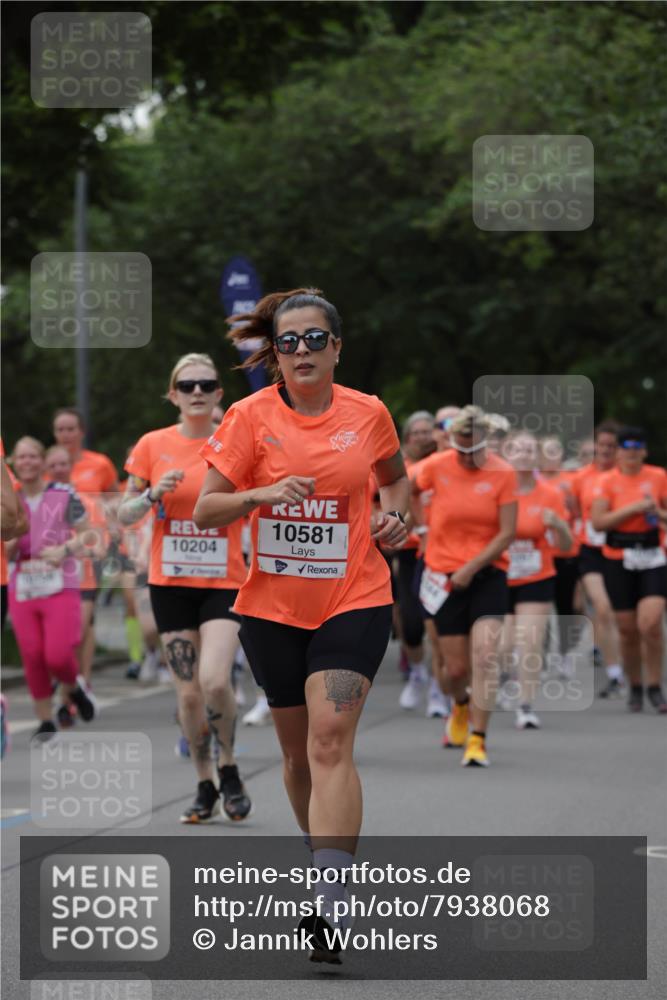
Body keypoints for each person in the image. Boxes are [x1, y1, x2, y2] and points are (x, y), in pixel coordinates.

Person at [194, 288, 408, 962]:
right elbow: (206, 511)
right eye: (289, 342)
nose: (302, 351)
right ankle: (324, 865)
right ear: (274, 356)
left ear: (337, 347)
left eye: (316, 339)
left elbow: (395, 480)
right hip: (272, 609)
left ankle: (330, 905)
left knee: (328, 741)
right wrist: (258, 493)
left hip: (354, 595)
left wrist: (393, 518)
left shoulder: (368, 413)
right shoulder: (248, 418)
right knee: (293, 758)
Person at [119, 353, 252, 823]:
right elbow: (123, 514)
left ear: (219, 393)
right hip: (171, 583)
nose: (197, 391)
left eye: (206, 384)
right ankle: (204, 783)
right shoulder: (153, 445)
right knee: (189, 694)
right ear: (173, 395)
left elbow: (255, 502)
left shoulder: (234, 445)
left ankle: (229, 766)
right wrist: (153, 494)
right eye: (187, 385)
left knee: (215, 680)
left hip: (223, 582)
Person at [412, 405, 517, 766]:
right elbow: (405, 487)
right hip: (443, 574)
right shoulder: (437, 465)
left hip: (487, 574)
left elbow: (507, 533)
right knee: (454, 669)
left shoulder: (503, 473)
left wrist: (472, 567)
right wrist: (419, 525)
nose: (467, 457)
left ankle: (478, 738)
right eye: (461, 449)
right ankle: (459, 705)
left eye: (474, 451)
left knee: (485, 657)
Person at [6, 437, 95, 739]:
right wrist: (15, 536)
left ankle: (73, 687)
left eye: (33, 456)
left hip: (59, 584)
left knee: (56, 655)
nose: (27, 462)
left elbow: (88, 535)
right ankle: (44, 720)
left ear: (42, 462)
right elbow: (5, 552)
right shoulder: (9, 499)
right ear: (13, 464)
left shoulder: (63, 493)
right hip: (23, 585)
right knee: (31, 654)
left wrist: (64, 550)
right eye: (21, 457)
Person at [590, 427, 667, 713]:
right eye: (626, 446)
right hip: (617, 557)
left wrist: (656, 513)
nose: (632, 451)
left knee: (651, 623)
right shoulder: (606, 482)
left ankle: (656, 686)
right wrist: (633, 509)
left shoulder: (658, 476)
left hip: (652, 556)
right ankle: (635, 685)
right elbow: (599, 522)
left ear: (645, 451)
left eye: (637, 446)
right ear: (619, 452)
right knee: (627, 630)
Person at [504, 432, 572, 729]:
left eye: (530, 449)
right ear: (507, 454)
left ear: (537, 456)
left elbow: (567, 546)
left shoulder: (551, 494)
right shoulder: (498, 490)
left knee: (530, 641)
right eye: (517, 449)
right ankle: (506, 678)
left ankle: (525, 705)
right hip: (499, 575)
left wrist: (558, 525)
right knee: (504, 646)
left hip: (536, 575)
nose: (524, 454)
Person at [52, 408, 119, 691]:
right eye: (60, 430)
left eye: (71, 429)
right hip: (54, 554)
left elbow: (114, 498)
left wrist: (113, 528)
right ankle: (66, 674)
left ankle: (83, 678)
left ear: (81, 432)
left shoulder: (99, 464)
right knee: (61, 620)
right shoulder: (49, 465)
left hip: (89, 552)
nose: (66, 435)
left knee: (83, 619)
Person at [569, 421, 623, 696]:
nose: (605, 451)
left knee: (624, 615)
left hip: (622, 549)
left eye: (611, 447)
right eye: (601, 445)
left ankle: (631, 665)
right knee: (601, 608)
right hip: (590, 549)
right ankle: (614, 674)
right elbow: (573, 511)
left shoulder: (625, 476)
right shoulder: (580, 477)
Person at [396, 411, 437, 712]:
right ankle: (418, 672)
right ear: (408, 437)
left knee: (438, 624)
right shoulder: (400, 468)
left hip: (443, 553)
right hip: (410, 552)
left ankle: (439, 686)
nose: (424, 437)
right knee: (410, 624)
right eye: (418, 432)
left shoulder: (445, 465)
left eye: (428, 431)